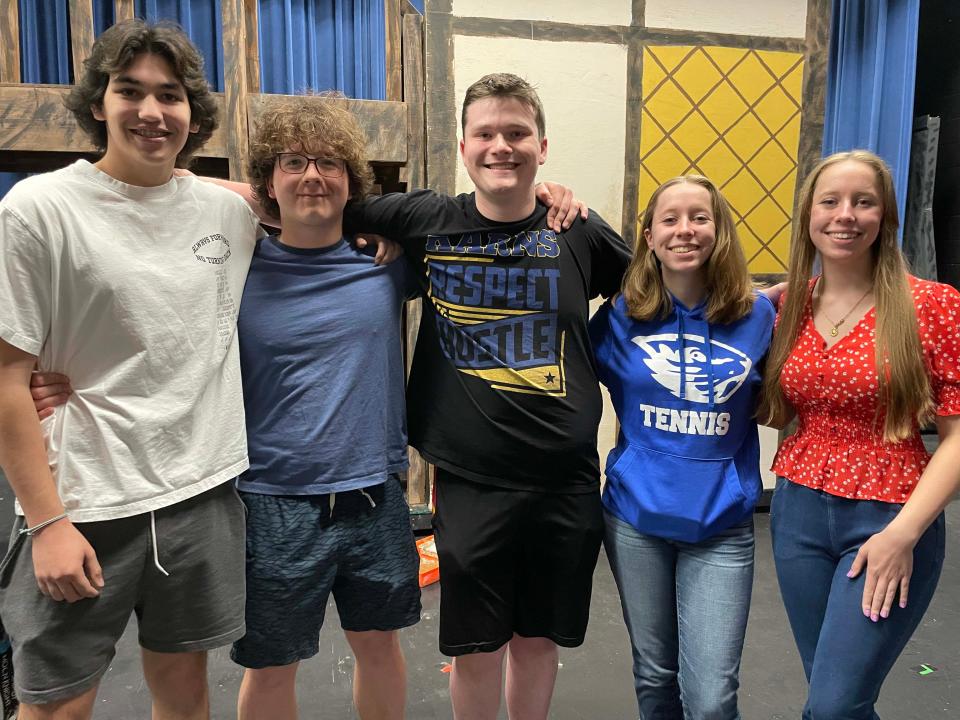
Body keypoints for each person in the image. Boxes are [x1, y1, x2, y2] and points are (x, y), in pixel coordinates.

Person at [341, 73, 632, 720]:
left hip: (567, 479)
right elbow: (309, 201)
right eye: (487, 134)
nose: (502, 145)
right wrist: (182, 185)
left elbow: (666, 292)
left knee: (536, 641)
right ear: (465, 147)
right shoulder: (426, 219)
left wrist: (768, 304)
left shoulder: (577, 230)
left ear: (543, 146)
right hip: (473, 478)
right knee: (477, 648)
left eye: (517, 133)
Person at [0, 20, 263, 720]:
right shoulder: (39, 209)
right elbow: (5, 381)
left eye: (170, 95)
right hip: (85, 500)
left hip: (200, 492)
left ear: (192, 113)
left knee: (185, 689)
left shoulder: (228, 211)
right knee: (57, 702)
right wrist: (46, 520)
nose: (152, 111)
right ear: (98, 103)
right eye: (131, 91)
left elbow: (322, 206)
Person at [228, 99, 423, 720]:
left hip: (373, 493)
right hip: (273, 500)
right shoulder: (234, 267)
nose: (313, 175)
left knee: (379, 646)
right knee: (271, 663)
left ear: (351, 182)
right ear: (268, 182)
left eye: (329, 163)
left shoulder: (387, 264)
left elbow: (481, 216)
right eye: (294, 162)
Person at [757, 149, 960, 719]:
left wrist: (903, 536)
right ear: (808, 216)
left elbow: (957, 436)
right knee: (835, 694)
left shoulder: (931, 306)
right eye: (830, 201)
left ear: (885, 217)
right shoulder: (788, 305)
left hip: (889, 517)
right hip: (796, 514)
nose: (845, 215)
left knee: (832, 706)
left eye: (863, 202)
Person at [589, 175, 775, 719]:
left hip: (722, 524)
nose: (685, 230)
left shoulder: (759, 316)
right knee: (655, 676)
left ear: (719, 232)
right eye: (670, 219)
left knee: (713, 697)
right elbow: (572, 389)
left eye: (700, 217)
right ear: (648, 236)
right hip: (636, 521)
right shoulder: (620, 316)